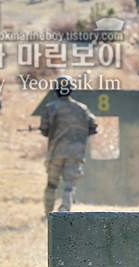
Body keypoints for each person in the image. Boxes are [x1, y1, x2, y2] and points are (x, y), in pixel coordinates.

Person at [39, 75, 98, 215]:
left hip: (56, 152)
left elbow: (44, 130)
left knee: (52, 184)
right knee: (69, 185)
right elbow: (93, 126)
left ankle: (48, 212)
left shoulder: (50, 108)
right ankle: (65, 208)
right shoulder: (82, 108)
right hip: (75, 153)